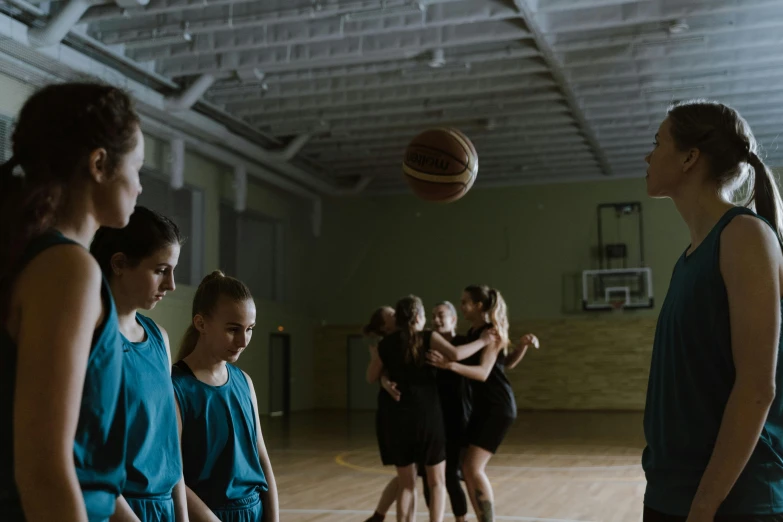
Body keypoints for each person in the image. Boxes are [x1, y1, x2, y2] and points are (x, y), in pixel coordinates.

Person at [0, 82, 143, 522]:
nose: (140, 186)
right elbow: (45, 474)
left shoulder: (38, 259)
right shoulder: (66, 270)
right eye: (137, 168)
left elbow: (88, 473)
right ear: (100, 164)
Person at [641, 100, 783, 521]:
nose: (648, 155)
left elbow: (757, 388)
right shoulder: (689, 256)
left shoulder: (744, 235)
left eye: (657, 142)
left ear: (689, 157)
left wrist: (704, 505)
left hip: (731, 502)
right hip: (672, 491)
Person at [89, 206, 188, 522]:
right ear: (119, 263)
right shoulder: (91, 338)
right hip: (116, 510)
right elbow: (87, 454)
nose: (171, 284)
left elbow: (169, 446)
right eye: (161, 270)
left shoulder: (159, 337)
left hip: (164, 508)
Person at [369, 295, 495, 522]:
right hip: (427, 415)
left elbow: (370, 376)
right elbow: (456, 354)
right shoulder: (427, 337)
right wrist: (484, 342)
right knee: (437, 481)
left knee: (406, 485)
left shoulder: (384, 345)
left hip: (397, 417)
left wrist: (384, 376)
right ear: (418, 316)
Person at [172, 271, 279, 522]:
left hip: (254, 512)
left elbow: (261, 457)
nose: (243, 341)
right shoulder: (175, 388)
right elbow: (173, 475)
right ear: (201, 323)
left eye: (249, 329)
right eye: (233, 329)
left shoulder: (245, 382)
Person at [428, 285, 535, 522]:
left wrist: (449, 365)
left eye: (465, 302)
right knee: (466, 469)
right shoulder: (474, 332)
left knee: (473, 468)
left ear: (478, 306)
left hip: (497, 407)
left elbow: (484, 373)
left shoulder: (491, 331)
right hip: (483, 406)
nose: (461, 305)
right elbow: (503, 363)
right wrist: (521, 347)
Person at [363, 306, 404, 522]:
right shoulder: (383, 347)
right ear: (382, 325)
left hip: (416, 409)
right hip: (395, 410)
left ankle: (378, 515)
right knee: (408, 475)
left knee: (407, 475)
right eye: (390, 313)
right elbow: (372, 376)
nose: (395, 313)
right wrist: (384, 380)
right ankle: (380, 515)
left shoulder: (409, 338)